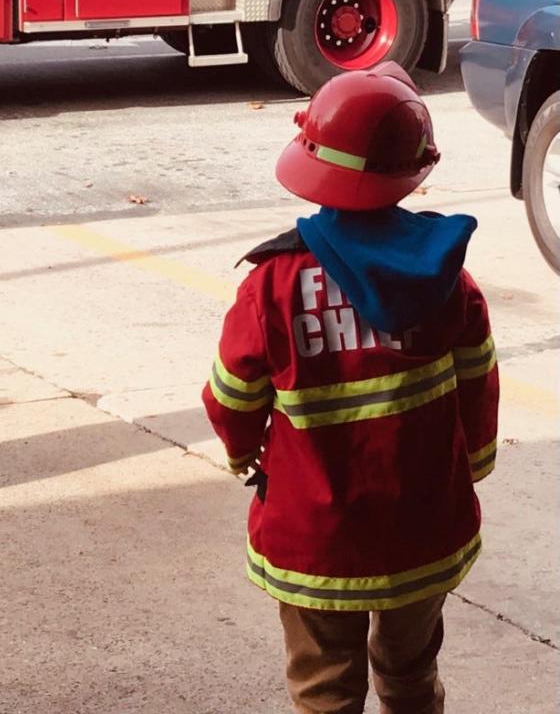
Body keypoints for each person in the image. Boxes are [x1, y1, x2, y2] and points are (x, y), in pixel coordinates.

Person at [202, 63, 498, 714]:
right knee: (412, 679)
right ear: (412, 166)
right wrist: (472, 465)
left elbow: (231, 396)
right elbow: (478, 389)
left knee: (325, 692)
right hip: (423, 529)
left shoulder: (273, 285)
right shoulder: (450, 280)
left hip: (315, 541)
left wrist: (240, 452)